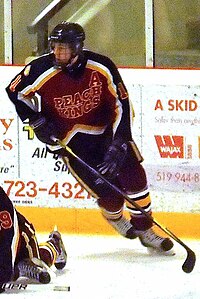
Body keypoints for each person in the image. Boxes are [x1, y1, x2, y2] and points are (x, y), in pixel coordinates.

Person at [6, 22, 174, 254]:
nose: (57, 53)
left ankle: (145, 229)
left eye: (63, 48)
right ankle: (114, 217)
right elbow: (14, 91)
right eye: (55, 47)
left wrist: (120, 140)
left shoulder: (102, 66)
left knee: (135, 179)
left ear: (77, 48)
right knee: (111, 198)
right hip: (72, 143)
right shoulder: (39, 69)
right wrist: (33, 118)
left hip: (107, 133)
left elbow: (121, 103)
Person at [0, 186, 67, 293]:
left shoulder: (2, 203)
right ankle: (18, 268)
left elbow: (8, 238)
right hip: (7, 240)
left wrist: (3, 275)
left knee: (37, 260)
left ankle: (54, 244)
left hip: (20, 237)